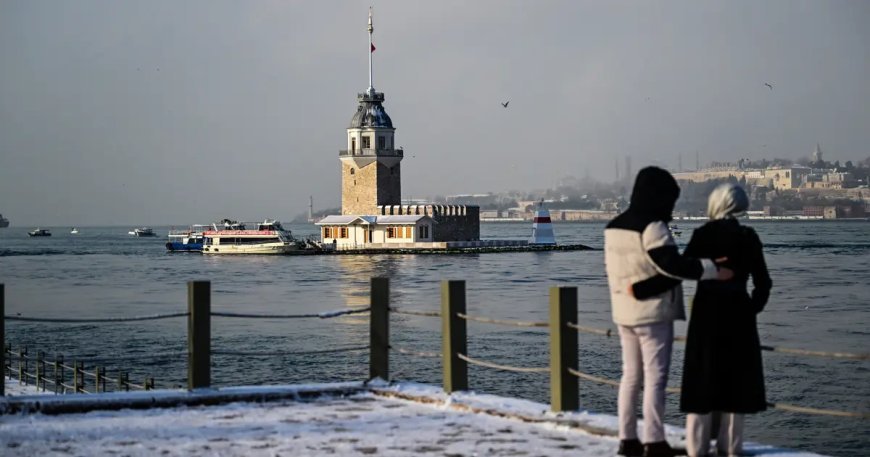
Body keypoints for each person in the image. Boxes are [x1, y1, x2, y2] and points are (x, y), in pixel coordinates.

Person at [604, 167, 733, 457]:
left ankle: (627, 439)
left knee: (630, 377)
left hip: (622, 312)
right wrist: (713, 269)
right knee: (655, 378)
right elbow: (670, 265)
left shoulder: (613, 226)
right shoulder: (653, 227)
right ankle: (654, 440)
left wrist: (634, 290)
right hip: (653, 313)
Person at [680, 183, 772, 457]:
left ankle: (696, 449)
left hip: (706, 315)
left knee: (702, 380)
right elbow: (763, 283)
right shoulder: (748, 236)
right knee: (736, 384)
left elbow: (685, 268)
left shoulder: (702, 235)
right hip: (738, 315)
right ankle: (731, 448)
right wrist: (751, 309)